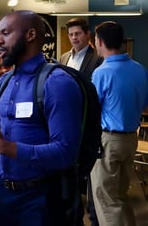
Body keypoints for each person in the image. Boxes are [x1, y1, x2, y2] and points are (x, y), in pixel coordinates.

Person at [0, 10, 84, 225]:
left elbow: (66, 152)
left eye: (5, 33)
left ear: (30, 35)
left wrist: (5, 147)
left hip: (41, 201)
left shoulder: (57, 83)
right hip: (4, 197)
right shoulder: (4, 82)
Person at [90, 21, 148, 226]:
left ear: (99, 42)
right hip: (131, 141)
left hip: (108, 141)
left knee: (106, 199)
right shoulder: (140, 69)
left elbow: (91, 110)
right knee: (121, 195)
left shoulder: (101, 73)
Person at [60, 17, 103, 226]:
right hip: (66, 121)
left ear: (87, 35)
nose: (74, 38)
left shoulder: (97, 60)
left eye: (78, 34)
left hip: (87, 121)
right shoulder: (63, 57)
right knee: (69, 173)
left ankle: (93, 216)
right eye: (71, 34)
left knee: (88, 172)